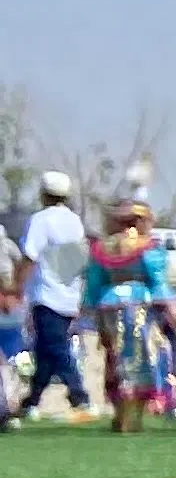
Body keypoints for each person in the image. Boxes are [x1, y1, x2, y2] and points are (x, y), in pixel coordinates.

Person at [7, 169, 89, 426]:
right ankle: (31, 401)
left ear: (43, 194)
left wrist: (16, 287)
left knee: (55, 347)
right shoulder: (74, 221)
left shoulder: (40, 220)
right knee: (45, 350)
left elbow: (29, 256)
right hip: (68, 294)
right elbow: (78, 260)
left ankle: (80, 396)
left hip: (46, 294)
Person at [87, 197, 175, 429]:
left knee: (115, 358)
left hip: (108, 307)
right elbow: (158, 283)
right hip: (139, 306)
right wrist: (171, 309)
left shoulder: (102, 248)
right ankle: (132, 415)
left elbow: (93, 285)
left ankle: (119, 412)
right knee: (143, 358)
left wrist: (88, 310)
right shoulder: (149, 246)